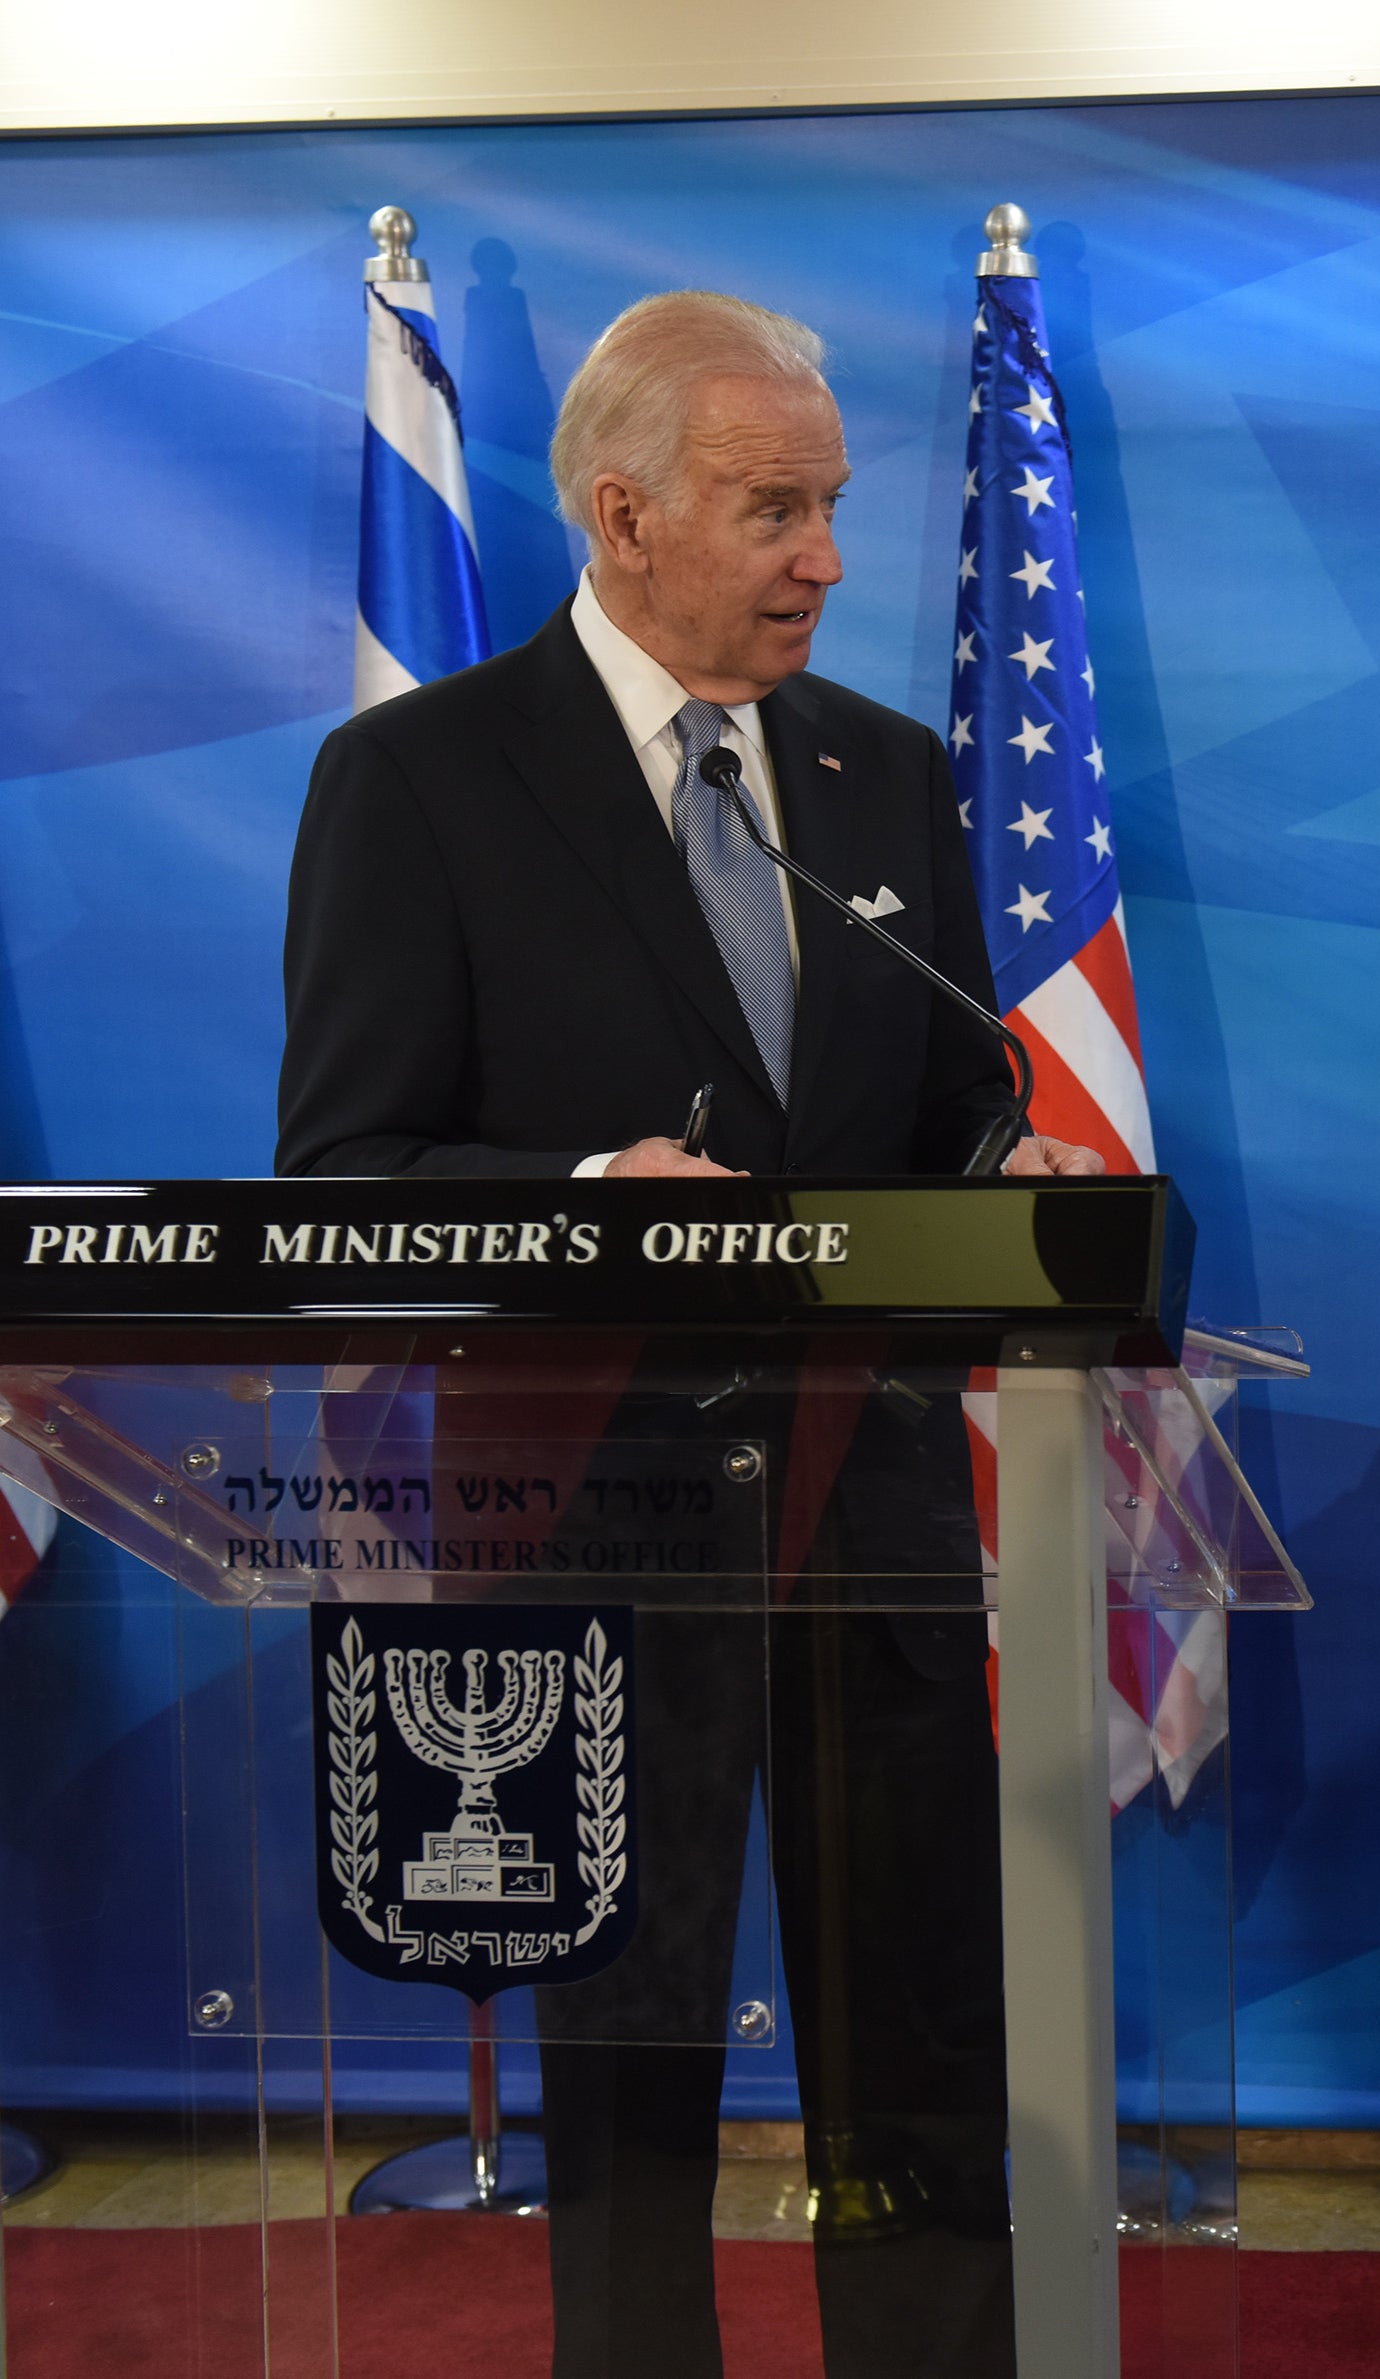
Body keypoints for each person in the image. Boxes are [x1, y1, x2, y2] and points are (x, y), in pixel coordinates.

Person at [277, 290, 1102, 2378]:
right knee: (630, 2056)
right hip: (598, 1524)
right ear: (625, 514)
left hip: (876, 1524)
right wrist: (577, 1206)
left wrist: (998, 1193)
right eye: (774, 508)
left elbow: (944, 1112)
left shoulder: (885, 774)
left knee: (917, 2037)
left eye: (831, 503)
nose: (825, 553)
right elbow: (343, 1174)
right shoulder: (420, 779)